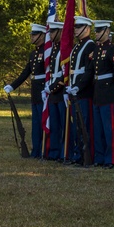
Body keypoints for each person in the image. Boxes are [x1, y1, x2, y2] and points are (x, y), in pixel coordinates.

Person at [4, 23, 47, 159]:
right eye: (31, 34)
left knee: (43, 123)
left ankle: (44, 150)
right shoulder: (33, 53)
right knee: (35, 124)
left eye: (34, 35)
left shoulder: (47, 52)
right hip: (35, 91)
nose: (31, 37)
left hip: (44, 91)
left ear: (42, 36)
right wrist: (12, 86)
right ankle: (36, 150)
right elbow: (25, 73)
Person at [89, 20, 114, 168]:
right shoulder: (97, 50)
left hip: (108, 92)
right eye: (96, 31)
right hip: (97, 92)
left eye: (99, 31)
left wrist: (109, 83)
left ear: (107, 31)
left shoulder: (112, 50)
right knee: (98, 128)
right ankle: (99, 157)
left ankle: (111, 159)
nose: (96, 33)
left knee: (108, 128)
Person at [65, 16, 96, 165]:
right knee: (76, 123)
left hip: (83, 91)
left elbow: (88, 71)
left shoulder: (90, 46)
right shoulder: (77, 46)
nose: (76, 30)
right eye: (76, 27)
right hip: (74, 90)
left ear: (87, 28)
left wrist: (78, 86)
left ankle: (85, 155)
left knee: (84, 124)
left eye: (79, 27)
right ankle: (77, 154)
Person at [43, 21, 66, 161]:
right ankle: (54, 151)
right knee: (55, 124)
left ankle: (64, 152)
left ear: (59, 32)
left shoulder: (64, 49)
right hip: (52, 90)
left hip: (60, 90)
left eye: (52, 32)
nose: (50, 34)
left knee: (64, 124)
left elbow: (65, 73)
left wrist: (54, 87)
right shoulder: (53, 48)